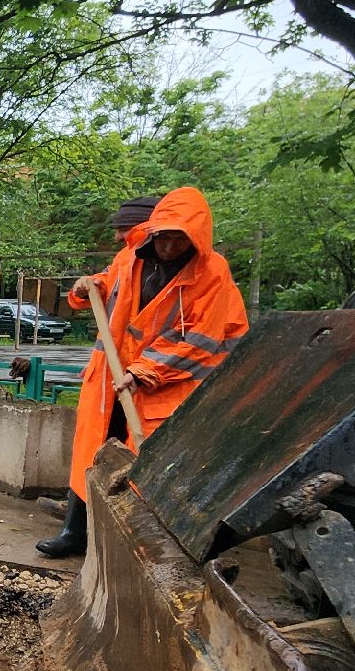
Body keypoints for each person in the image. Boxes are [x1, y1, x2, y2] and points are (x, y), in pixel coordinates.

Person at [37, 187, 247, 558]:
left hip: (166, 385)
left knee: (148, 465)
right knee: (93, 451)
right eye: (162, 237)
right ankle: (75, 531)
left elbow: (200, 338)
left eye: (177, 239)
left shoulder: (212, 273)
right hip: (110, 377)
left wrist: (143, 370)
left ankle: (133, 546)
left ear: (194, 238)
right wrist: (89, 287)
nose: (167, 247)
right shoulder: (130, 257)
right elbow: (106, 286)